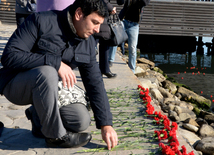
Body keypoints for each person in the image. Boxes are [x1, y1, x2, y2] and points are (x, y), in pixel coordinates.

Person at [0, 0, 118, 149]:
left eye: (100, 24)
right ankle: (55, 136)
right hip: (16, 84)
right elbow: (9, 56)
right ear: (79, 14)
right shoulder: (40, 21)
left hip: (50, 90)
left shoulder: (87, 43)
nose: (97, 29)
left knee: (80, 120)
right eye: (94, 22)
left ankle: (38, 118)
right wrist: (54, 62)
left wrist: (106, 124)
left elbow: (95, 84)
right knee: (48, 71)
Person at [108, 0, 150, 73]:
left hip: (134, 25)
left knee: (133, 48)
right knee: (115, 39)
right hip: (124, 21)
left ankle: (132, 69)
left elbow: (145, 3)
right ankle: (110, 60)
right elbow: (120, 2)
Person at [94, 0, 118, 78]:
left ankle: (104, 70)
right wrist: (111, 8)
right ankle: (101, 71)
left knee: (104, 45)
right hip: (97, 15)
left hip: (103, 16)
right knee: (94, 47)